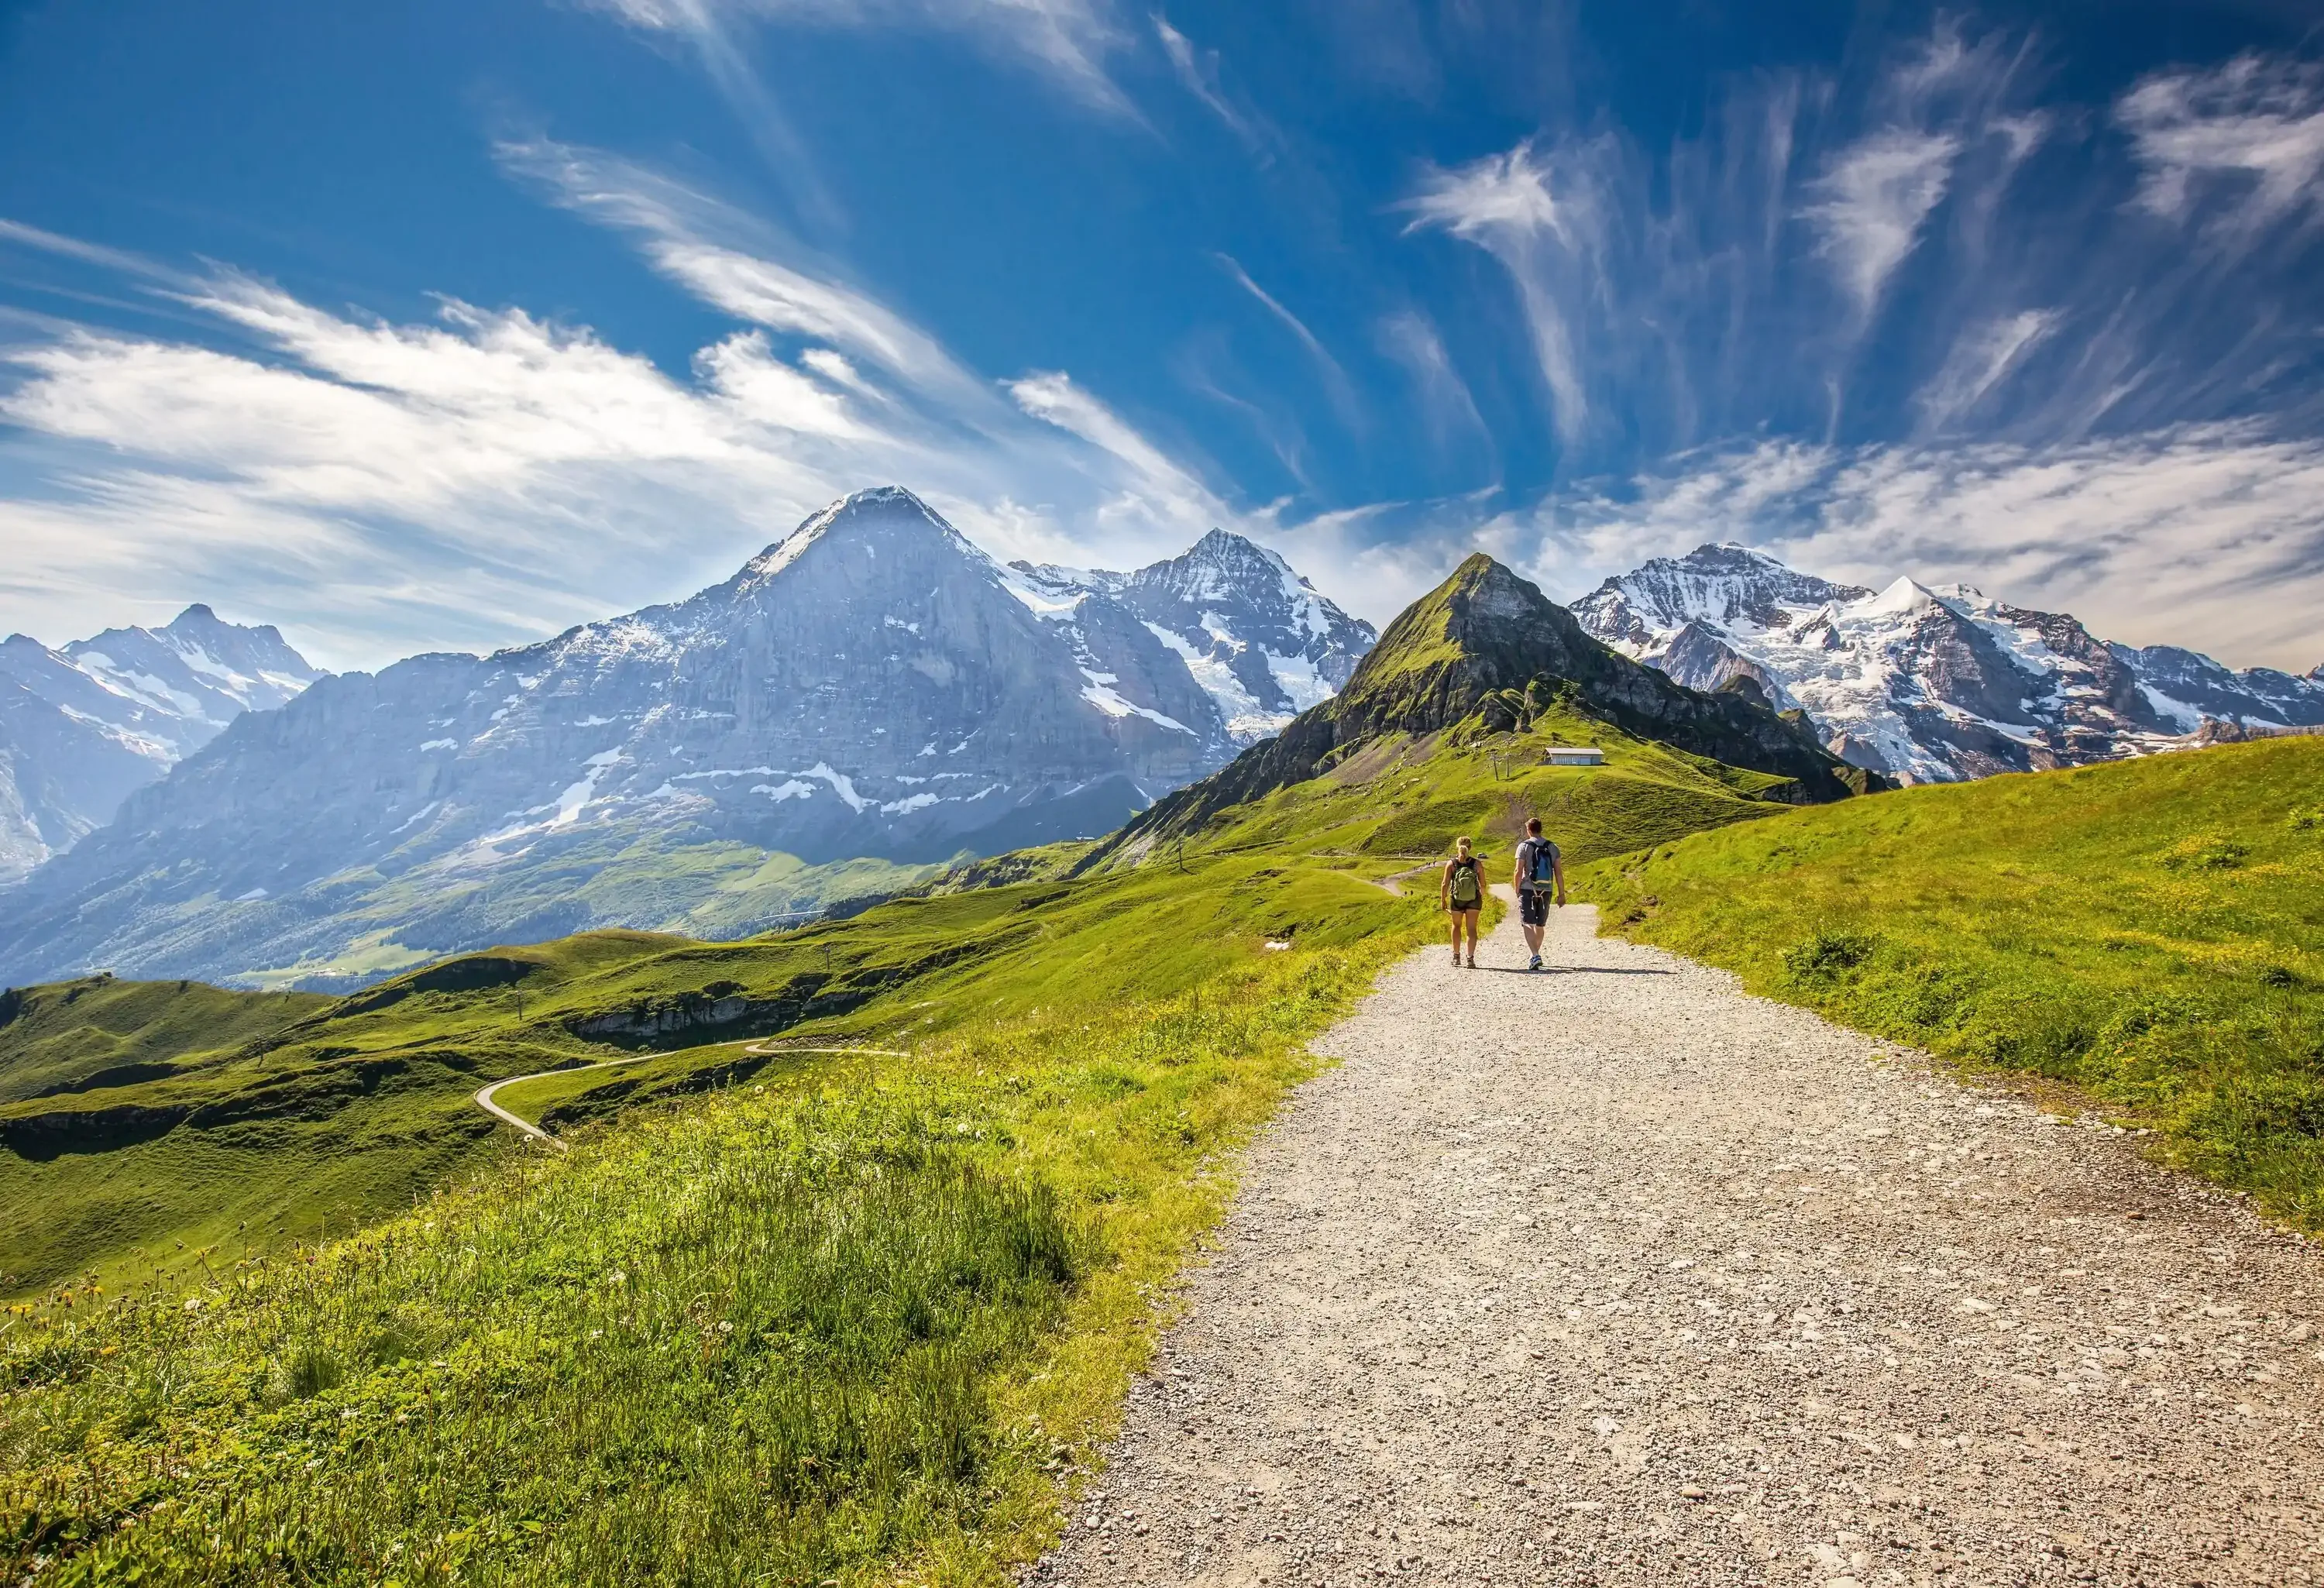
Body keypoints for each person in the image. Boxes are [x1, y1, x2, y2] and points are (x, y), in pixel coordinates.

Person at [1511, 816, 1566, 971]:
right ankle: (1534, 955)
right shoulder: (1552, 847)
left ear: (1528, 830)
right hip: (1546, 889)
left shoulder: (1523, 846)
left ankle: (1535, 955)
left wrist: (1517, 889)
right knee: (1540, 924)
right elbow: (1559, 872)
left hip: (1528, 889)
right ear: (1541, 829)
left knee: (1528, 923)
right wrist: (1562, 893)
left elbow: (1518, 870)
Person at [1440, 836, 1484, 968]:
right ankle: (1470, 959)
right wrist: (1480, 896)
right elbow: (1483, 884)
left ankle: (1456, 957)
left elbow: (1445, 883)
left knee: (1456, 926)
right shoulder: (1477, 864)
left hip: (1457, 899)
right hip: (1474, 900)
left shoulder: (1451, 863)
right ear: (1470, 847)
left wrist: (1443, 899)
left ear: (1457, 847)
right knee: (1471, 929)